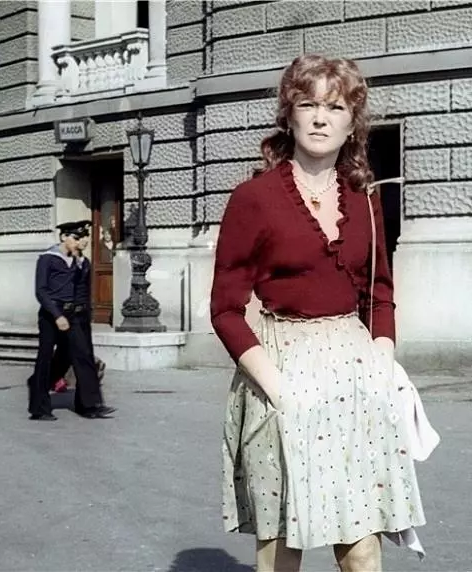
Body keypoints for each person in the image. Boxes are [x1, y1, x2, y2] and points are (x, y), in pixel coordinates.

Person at [210, 55, 425, 572]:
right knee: (282, 548)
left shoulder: (364, 198)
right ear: (289, 115)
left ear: (353, 122)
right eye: (308, 104)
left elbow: (379, 293)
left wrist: (380, 366)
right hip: (281, 372)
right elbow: (225, 310)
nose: (321, 118)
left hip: (354, 376)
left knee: (362, 548)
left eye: (336, 107)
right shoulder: (254, 198)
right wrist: (279, 389)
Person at [28, 220, 114, 421]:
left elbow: (83, 290)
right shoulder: (48, 259)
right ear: (63, 237)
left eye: (83, 238)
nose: (81, 242)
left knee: (83, 356)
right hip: (52, 315)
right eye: (76, 238)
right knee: (45, 358)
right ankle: (39, 408)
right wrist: (57, 315)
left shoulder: (82, 262)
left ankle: (89, 405)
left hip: (76, 315)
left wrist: (85, 315)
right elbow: (41, 291)